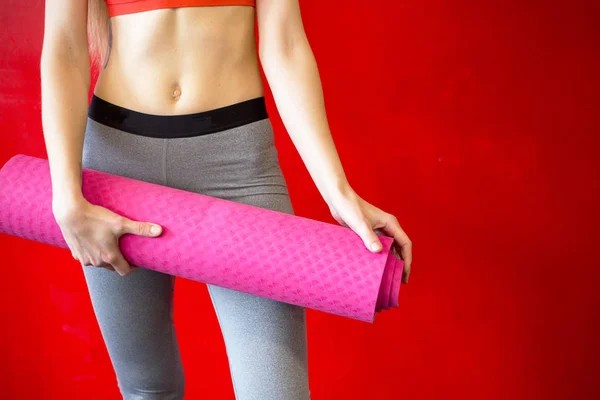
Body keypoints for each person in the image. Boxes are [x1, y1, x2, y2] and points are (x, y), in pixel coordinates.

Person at [40, 0, 413, 399]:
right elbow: (64, 45)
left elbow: (285, 43)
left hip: (238, 163)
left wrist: (339, 194)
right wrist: (66, 198)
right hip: (118, 164)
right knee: (147, 389)